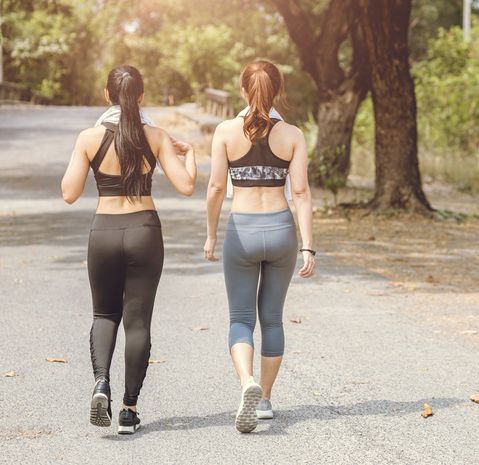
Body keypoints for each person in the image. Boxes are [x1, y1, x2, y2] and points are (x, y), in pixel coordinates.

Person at [60, 65, 197, 434]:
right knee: (138, 323)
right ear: (141, 96)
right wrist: (191, 154)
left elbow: (69, 193)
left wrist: (85, 156)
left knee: (104, 315)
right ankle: (128, 410)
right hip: (144, 231)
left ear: (107, 96)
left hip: (103, 231)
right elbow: (186, 186)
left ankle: (101, 382)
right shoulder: (155, 136)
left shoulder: (89, 138)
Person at [204, 60, 315, 433]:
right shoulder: (294, 135)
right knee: (272, 318)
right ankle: (265, 400)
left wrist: (210, 234)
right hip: (282, 230)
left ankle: (246, 383)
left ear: (241, 89)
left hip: (242, 230)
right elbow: (300, 192)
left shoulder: (224, 132)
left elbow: (217, 188)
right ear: (279, 90)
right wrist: (308, 246)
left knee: (240, 319)